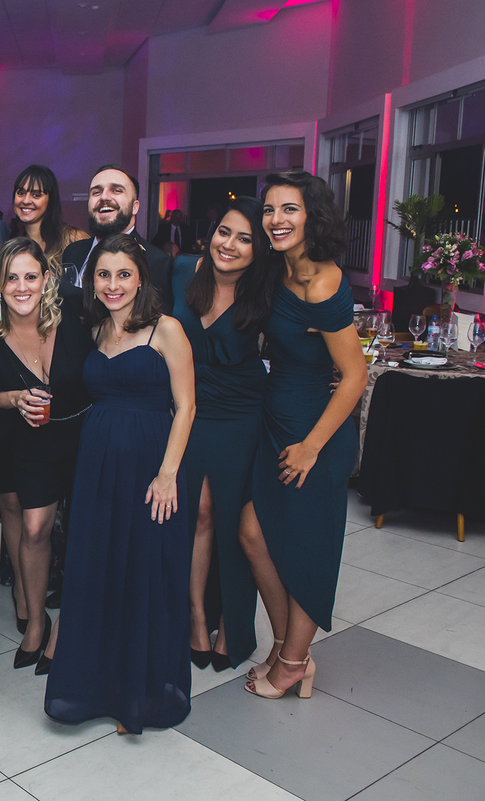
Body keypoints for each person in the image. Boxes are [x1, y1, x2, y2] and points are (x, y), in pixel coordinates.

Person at [44, 234, 196, 733]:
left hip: (153, 466)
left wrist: (169, 473)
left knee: (145, 570)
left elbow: (187, 406)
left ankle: (142, 694)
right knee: (99, 567)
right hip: (97, 465)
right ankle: (99, 686)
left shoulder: (166, 329)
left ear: (141, 278)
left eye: (123, 274)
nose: (113, 285)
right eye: (103, 275)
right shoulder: (93, 331)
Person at [243, 172, 367, 700]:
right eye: (269, 210)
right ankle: (285, 645)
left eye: (289, 209)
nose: (277, 220)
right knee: (254, 533)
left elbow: (356, 375)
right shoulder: (277, 269)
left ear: (311, 216)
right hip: (278, 421)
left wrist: (313, 446)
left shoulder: (322, 282)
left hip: (316, 434)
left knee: (309, 547)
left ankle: (293, 662)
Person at [0, 238, 91, 670]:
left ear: (46, 279)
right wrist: (14, 399)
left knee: (85, 533)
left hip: (85, 436)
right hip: (33, 440)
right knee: (36, 529)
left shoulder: (75, 318)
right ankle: (36, 621)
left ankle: (69, 626)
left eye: (30, 276)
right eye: (11, 279)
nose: (22, 287)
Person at [172, 197, 275, 672]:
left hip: (241, 416)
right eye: (224, 232)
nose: (229, 245)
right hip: (190, 412)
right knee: (199, 514)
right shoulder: (182, 274)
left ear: (258, 251)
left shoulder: (268, 294)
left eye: (245, 238)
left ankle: (233, 624)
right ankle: (195, 617)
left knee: (233, 519)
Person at [59, 166, 173, 311]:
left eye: (116, 190)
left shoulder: (155, 261)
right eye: (96, 192)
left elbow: (158, 325)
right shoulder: (73, 251)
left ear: (135, 207)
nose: (104, 197)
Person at [11, 165, 86, 268]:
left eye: (36, 195)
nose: (26, 200)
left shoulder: (72, 239)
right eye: (21, 193)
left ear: (50, 200)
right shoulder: (13, 246)